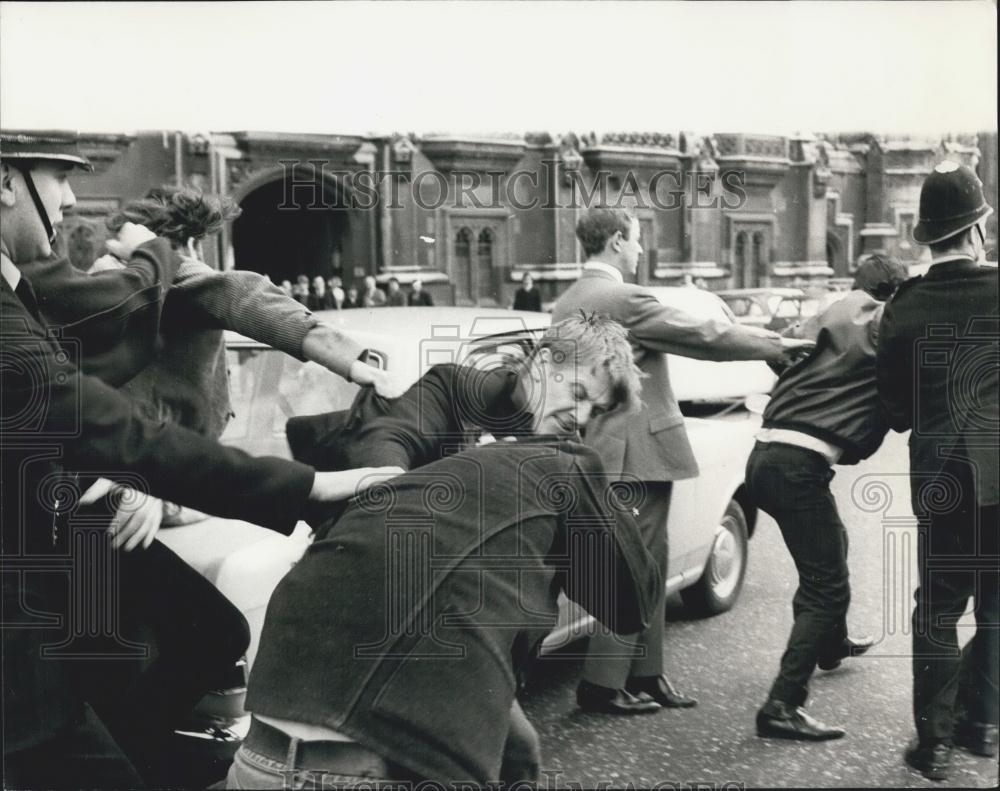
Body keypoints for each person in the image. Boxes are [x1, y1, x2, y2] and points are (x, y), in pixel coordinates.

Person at [0, 130, 395, 789]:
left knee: (202, 637)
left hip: (82, 518)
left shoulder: (37, 283)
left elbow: (240, 294)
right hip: (56, 555)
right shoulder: (73, 285)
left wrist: (337, 348)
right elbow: (102, 418)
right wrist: (309, 486)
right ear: (7, 180)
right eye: (58, 176)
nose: (73, 200)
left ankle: (139, 754)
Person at [228, 314, 662, 787]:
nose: (580, 420)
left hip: (447, 650)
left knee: (521, 754)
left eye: (595, 413)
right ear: (540, 363)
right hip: (386, 628)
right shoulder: (455, 390)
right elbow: (388, 437)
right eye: (577, 394)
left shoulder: (564, 462)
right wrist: (397, 497)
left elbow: (620, 593)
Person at [552, 207, 814, 715]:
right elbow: (704, 336)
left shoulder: (567, 301)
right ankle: (603, 685)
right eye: (635, 240)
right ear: (614, 242)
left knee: (648, 562)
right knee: (631, 567)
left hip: (607, 449)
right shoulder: (624, 299)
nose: (641, 250)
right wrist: (775, 346)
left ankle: (647, 674)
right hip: (636, 454)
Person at [747, 254, 908, 742]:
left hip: (765, 456)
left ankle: (830, 643)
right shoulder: (880, 326)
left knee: (830, 546)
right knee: (827, 586)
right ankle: (782, 704)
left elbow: (778, 353)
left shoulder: (825, 316)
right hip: (799, 466)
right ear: (891, 293)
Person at [877, 161, 998, 781]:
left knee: (938, 612)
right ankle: (985, 727)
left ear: (930, 237)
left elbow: (896, 412)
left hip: (943, 476)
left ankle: (935, 745)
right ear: (978, 231)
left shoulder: (904, 307)